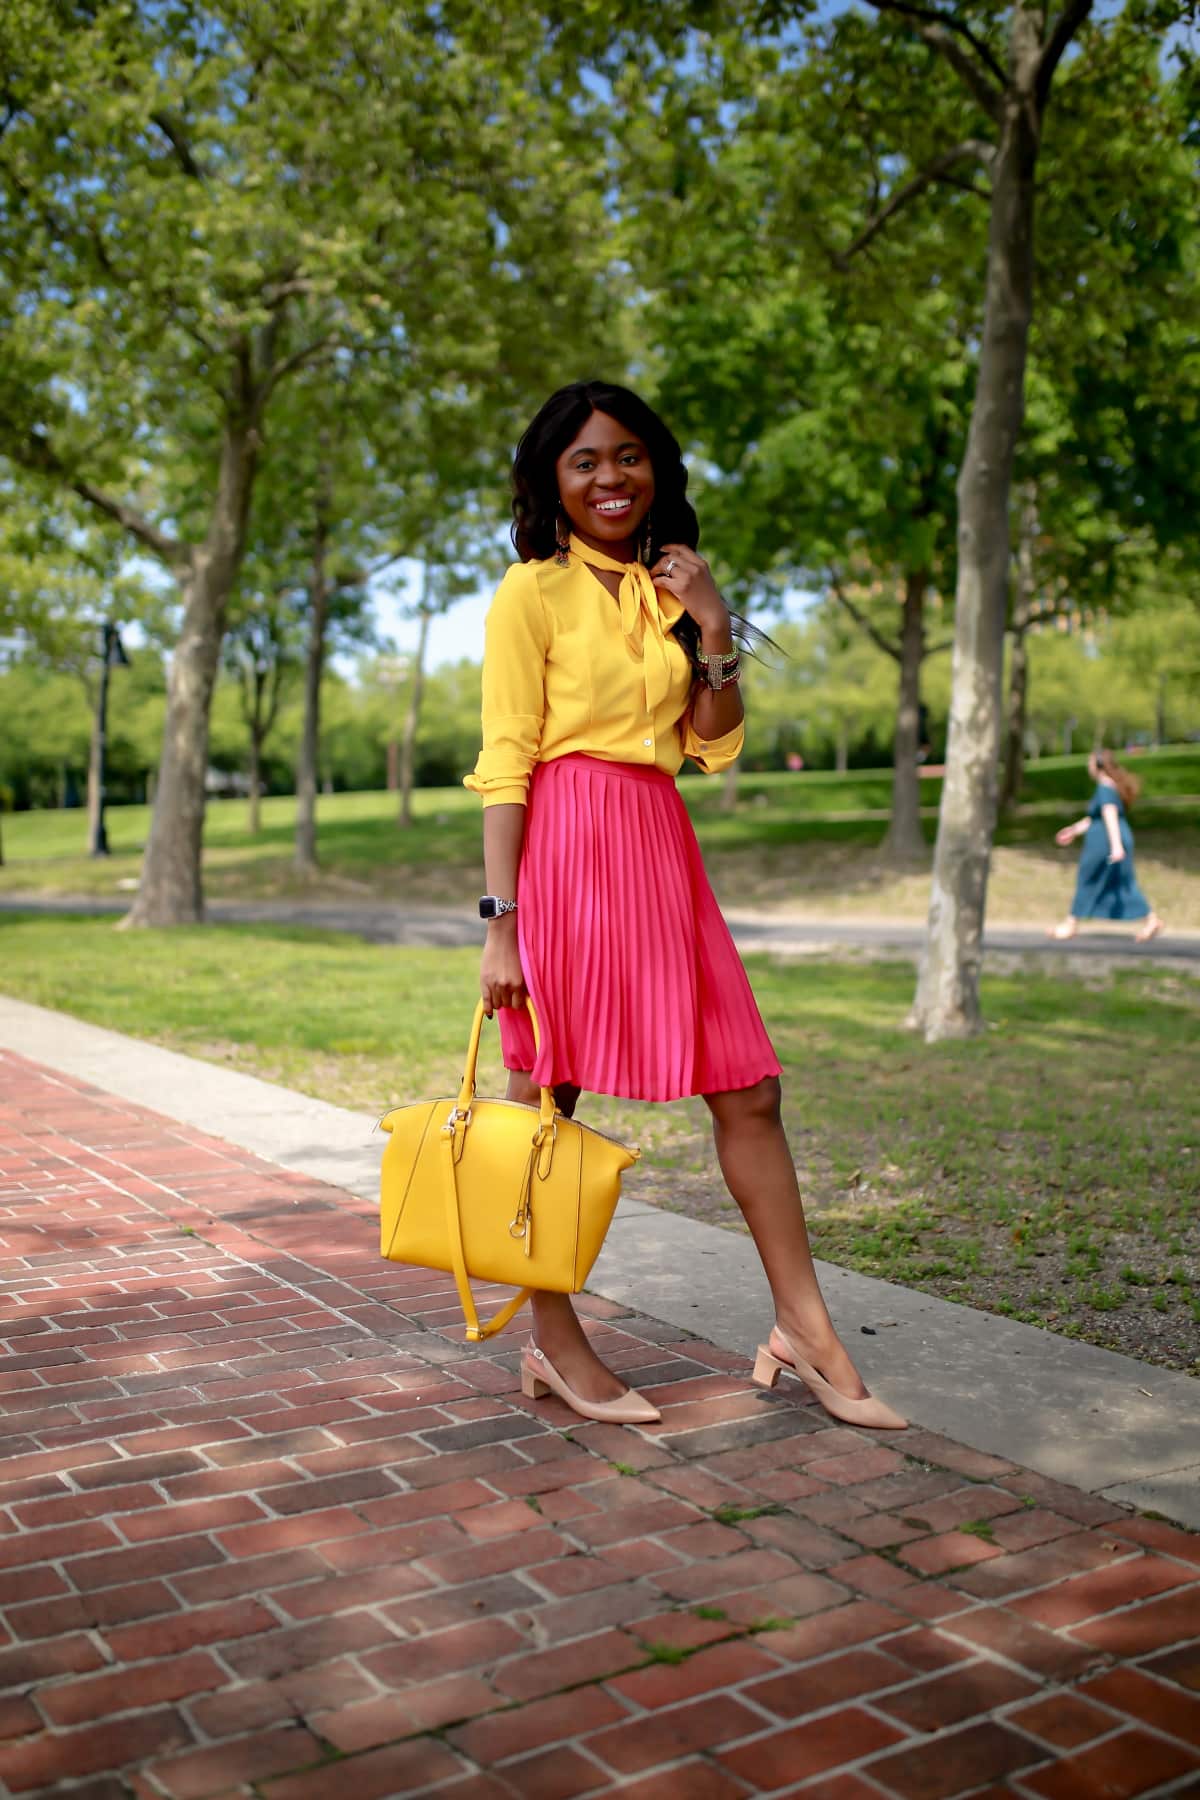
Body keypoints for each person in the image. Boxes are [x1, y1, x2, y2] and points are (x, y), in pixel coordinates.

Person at [464, 379, 905, 1431]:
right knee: (544, 1103)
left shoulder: (675, 590)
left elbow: (712, 743)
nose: (610, 477)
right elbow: (504, 762)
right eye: (584, 462)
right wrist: (500, 922)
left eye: (627, 456)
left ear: (654, 468)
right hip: (566, 846)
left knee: (748, 1089)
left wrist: (712, 622)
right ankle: (557, 1343)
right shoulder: (531, 592)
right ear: (551, 483)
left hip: (661, 845)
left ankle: (805, 1330)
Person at [1049, 748, 1163, 943]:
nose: (1088, 766)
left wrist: (1115, 846)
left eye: (1090, 762)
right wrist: (1074, 830)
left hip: (1104, 843)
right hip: (1112, 838)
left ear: (1099, 766)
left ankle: (1070, 924)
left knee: (1087, 877)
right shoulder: (1111, 787)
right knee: (1122, 883)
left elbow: (1109, 814)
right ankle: (1152, 920)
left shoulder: (1104, 787)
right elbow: (1096, 818)